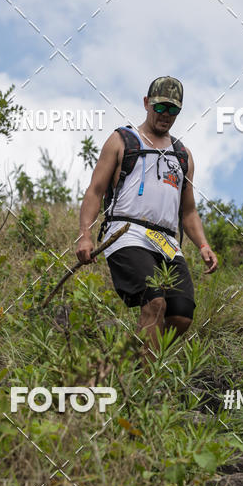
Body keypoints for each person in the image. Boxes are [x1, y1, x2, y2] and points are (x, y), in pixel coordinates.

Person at [76, 75, 217, 356]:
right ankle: (145, 386)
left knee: (181, 314)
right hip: (126, 234)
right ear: (146, 103)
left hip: (166, 241)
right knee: (155, 304)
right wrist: (85, 235)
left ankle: (133, 357)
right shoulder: (122, 140)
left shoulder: (182, 155)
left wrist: (203, 245)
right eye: (160, 107)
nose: (166, 115)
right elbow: (95, 190)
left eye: (173, 110)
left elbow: (187, 211)